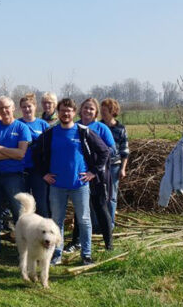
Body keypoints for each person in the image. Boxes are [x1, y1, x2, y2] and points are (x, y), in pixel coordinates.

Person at [33, 98, 110, 266]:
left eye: (69, 111)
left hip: (79, 185)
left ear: (74, 113)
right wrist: (44, 173)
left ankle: (86, 255)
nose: (65, 113)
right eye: (62, 110)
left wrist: (93, 172)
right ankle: (56, 254)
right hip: (57, 186)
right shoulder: (50, 133)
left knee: (84, 220)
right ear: (58, 112)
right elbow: (35, 154)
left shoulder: (83, 131)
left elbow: (105, 151)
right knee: (57, 221)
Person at [0, 97, 31, 259]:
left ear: (13, 108)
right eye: (0, 108)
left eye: (7, 108)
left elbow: (21, 154)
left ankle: (23, 250)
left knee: (19, 213)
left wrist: (2, 148)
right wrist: (11, 153)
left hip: (14, 177)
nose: (4, 111)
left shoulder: (21, 128)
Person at [66, 97, 115, 252]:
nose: (88, 111)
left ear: (96, 113)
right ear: (80, 110)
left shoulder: (101, 128)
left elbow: (111, 150)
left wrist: (94, 163)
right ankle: (76, 241)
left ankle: (109, 244)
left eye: (91, 109)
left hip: (97, 176)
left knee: (101, 208)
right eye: (85, 107)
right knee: (80, 209)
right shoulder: (73, 127)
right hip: (80, 175)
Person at [17, 94, 51, 217]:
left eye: (29, 106)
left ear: (35, 107)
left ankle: (43, 231)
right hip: (21, 168)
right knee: (23, 204)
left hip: (38, 170)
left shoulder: (43, 125)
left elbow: (48, 147)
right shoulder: (17, 124)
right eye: (24, 107)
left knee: (41, 203)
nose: (27, 109)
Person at [100, 98, 129, 228]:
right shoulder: (98, 127)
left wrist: (123, 168)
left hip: (114, 166)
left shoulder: (120, 129)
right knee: (99, 196)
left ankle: (109, 224)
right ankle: (98, 223)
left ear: (112, 111)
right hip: (99, 166)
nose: (102, 113)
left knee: (111, 197)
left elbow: (125, 150)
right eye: (101, 110)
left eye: (105, 110)